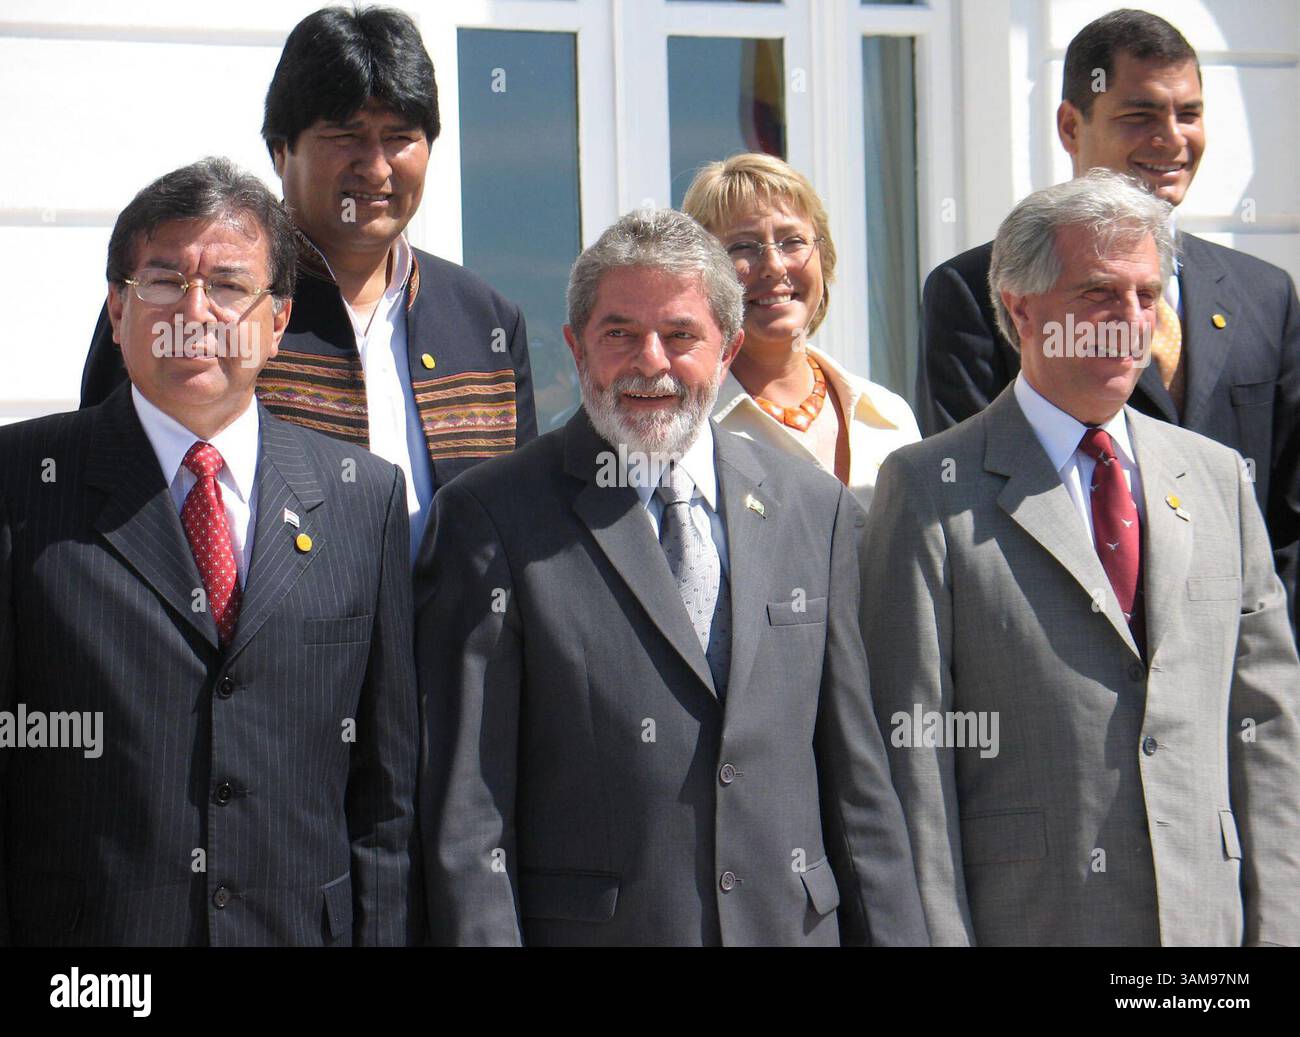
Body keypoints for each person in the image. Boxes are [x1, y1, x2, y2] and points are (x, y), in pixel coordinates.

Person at [416, 208, 927, 946]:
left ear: (729, 350)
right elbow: (469, 810)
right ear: (576, 348)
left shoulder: (815, 510)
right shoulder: (489, 517)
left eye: (681, 334)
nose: (650, 361)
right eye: (619, 333)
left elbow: (859, 787)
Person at [866, 170, 1300, 946]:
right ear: (1020, 307)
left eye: (1146, 295)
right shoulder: (931, 488)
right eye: (1100, 294)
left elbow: (1265, 729)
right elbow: (914, 757)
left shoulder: (1216, 478)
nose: (1131, 321)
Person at [0, 158, 420, 946]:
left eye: (228, 286)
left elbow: (385, 798)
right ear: (118, 310)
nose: (194, 312)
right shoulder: (21, 485)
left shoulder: (363, 497)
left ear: (278, 319)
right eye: (163, 282)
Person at [77, 5, 537, 558]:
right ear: (279, 148)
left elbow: (522, 526)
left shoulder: (484, 321)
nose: (375, 168)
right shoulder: (196, 306)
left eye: (399, 137)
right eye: (345, 135)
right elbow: (107, 504)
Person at [916, 8, 1300, 631]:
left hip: (1235, 662)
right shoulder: (980, 287)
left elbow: (1287, 515)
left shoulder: (1265, 293)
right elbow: (970, 504)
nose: (1172, 139)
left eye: (1189, 114)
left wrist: (1266, 652)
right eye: (1140, 115)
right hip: (1068, 654)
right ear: (1071, 125)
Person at [682, 153, 919, 512]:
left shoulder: (887, 414)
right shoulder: (687, 427)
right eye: (743, 247)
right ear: (699, 274)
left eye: (792, 241)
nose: (774, 267)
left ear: (823, 257)